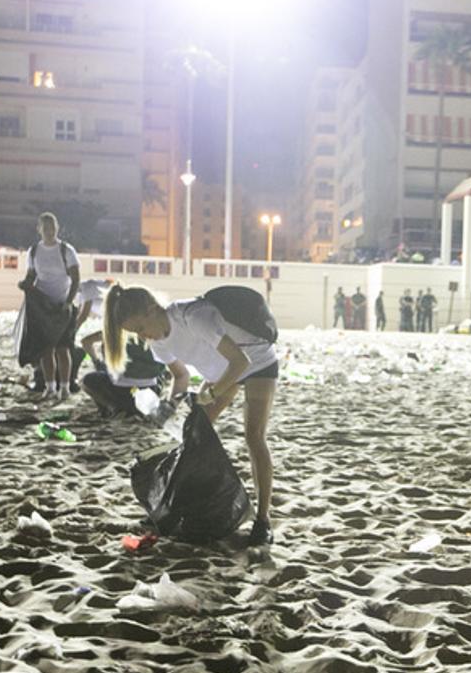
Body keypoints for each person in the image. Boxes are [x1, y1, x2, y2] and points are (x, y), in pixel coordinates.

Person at [103, 284, 279, 545]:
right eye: (135, 333)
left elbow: (241, 361)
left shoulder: (193, 316)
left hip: (256, 362)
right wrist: (170, 404)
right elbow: (181, 375)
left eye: (140, 328)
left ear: (152, 309)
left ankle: (262, 521)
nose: (142, 337)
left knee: (254, 437)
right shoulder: (158, 343)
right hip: (221, 374)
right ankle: (178, 508)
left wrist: (211, 393)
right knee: (192, 437)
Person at [15, 212, 80, 400]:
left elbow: (75, 278)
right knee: (46, 349)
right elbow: (31, 276)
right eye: (46, 228)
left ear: (57, 228)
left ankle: (65, 387)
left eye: (52, 228)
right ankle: (50, 387)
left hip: (62, 303)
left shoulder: (67, 250)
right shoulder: (34, 251)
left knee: (63, 347)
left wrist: (68, 302)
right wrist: (25, 284)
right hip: (42, 306)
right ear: (39, 230)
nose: (49, 232)